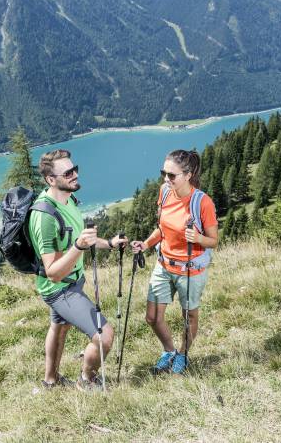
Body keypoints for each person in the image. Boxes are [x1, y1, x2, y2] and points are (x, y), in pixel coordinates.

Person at [29, 149, 126, 390]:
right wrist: (78, 247)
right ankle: (87, 380)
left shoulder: (68, 199)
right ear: (51, 180)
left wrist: (109, 244)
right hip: (60, 288)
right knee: (104, 336)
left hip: (73, 282)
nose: (74, 175)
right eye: (68, 173)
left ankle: (50, 381)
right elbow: (52, 272)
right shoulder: (44, 217)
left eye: (75, 169)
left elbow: (82, 238)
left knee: (59, 326)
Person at [131, 149, 218, 374]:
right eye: (164, 173)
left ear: (188, 175)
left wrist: (198, 238)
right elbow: (161, 228)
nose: (166, 179)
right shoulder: (165, 192)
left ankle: (183, 353)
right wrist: (146, 244)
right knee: (152, 317)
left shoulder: (202, 202)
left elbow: (213, 241)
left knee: (189, 316)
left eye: (172, 175)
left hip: (191, 270)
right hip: (164, 264)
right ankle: (169, 351)